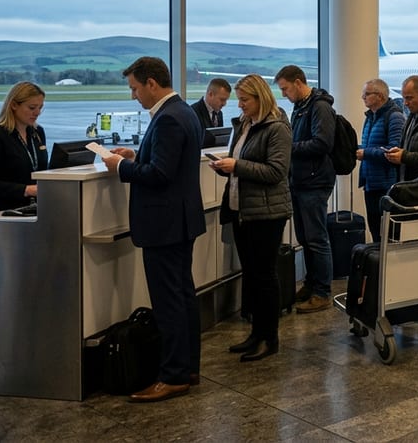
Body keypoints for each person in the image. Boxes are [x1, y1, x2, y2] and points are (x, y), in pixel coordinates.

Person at [102, 57, 204, 402]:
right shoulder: (183, 111)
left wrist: (120, 167)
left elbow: (160, 175)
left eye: (134, 88)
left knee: (169, 301)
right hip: (181, 220)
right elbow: (167, 162)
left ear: (151, 83)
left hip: (165, 223)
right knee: (183, 296)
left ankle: (174, 375)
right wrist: (136, 154)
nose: (133, 96)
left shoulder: (168, 119)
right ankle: (188, 366)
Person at [209, 74, 291, 362]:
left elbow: (276, 172)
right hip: (242, 210)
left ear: (260, 98)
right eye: (239, 100)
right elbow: (243, 164)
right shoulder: (246, 124)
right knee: (252, 275)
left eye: (244, 100)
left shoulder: (276, 127)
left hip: (267, 213)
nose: (239, 105)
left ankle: (270, 338)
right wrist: (226, 167)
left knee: (265, 275)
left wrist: (237, 166)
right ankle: (256, 333)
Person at [274, 64, 335, 314]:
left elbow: (322, 143)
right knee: (305, 238)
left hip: (315, 182)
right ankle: (311, 284)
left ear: (298, 83)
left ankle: (323, 291)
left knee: (317, 239)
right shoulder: (300, 107)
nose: (284, 95)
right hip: (300, 181)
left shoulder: (319, 107)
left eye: (286, 89)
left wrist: (289, 147)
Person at [0, 81, 48, 213]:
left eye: (40, 107)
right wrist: (26, 190)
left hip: (31, 209)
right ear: (14, 105)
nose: (37, 113)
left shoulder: (37, 133)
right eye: (32, 108)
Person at [357, 78, 406, 241]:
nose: (363, 97)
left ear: (379, 96)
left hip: (386, 185)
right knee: (375, 230)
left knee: (387, 233)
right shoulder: (371, 117)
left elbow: (394, 150)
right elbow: (370, 146)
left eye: (366, 94)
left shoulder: (394, 117)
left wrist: (366, 153)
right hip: (371, 183)